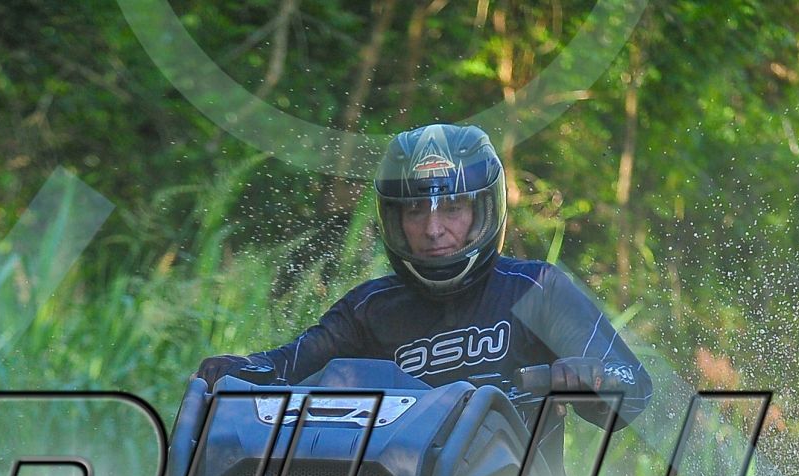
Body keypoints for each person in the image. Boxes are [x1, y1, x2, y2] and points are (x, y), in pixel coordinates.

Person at [195, 123, 652, 441]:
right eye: (415, 211)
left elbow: (635, 390)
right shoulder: (368, 308)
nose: (433, 229)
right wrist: (236, 370)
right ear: (393, 218)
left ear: (483, 211)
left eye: (452, 208)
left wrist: (588, 378)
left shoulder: (535, 289)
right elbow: (285, 366)